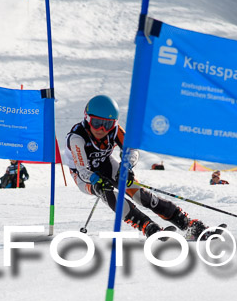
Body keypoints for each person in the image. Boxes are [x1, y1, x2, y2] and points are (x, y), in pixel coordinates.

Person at [65, 94, 208, 238]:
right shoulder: (77, 137)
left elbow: (132, 150)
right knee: (107, 193)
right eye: (96, 122)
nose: (101, 129)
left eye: (107, 124)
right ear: (87, 118)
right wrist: (97, 180)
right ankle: (147, 226)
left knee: (140, 194)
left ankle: (187, 224)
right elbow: (83, 171)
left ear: (114, 124)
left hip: (106, 165)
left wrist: (126, 166)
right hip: (84, 177)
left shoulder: (115, 131)